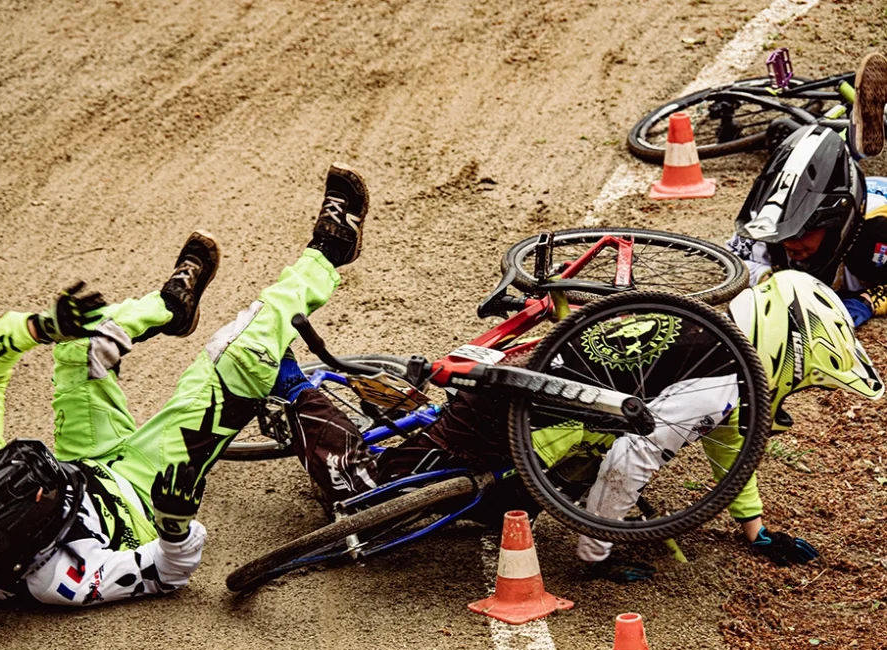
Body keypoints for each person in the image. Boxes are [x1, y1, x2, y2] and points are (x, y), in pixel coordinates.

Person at [0, 163, 370, 606]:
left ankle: (171, 308)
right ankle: (329, 251)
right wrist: (174, 522)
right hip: (143, 491)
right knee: (242, 354)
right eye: (43, 496)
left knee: (79, 341)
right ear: (34, 551)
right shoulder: (63, 581)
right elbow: (169, 572)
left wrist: (44, 326)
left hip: (84, 460)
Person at [272, 270, 884, 581]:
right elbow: (629, 464)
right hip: (513, 413)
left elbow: (734, 444)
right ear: (784, 350)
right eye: (803, 378)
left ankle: (403, 429)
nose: (797, 390)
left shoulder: (716, 342)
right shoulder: (723, 383)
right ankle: (289, 384)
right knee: (360, 492)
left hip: (534, 385)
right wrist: (596, 551)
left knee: (503, 499)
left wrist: (753, 526)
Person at [726, 51, 887, 328]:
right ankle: (840, 142)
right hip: (833, 191)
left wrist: (867, 300)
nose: (790, 243)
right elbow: (729, 263)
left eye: (803, 231)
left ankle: (853, 140)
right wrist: (767, 279)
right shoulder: (769, 228)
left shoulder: (878, 231)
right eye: (787, 230)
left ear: (839, 225)